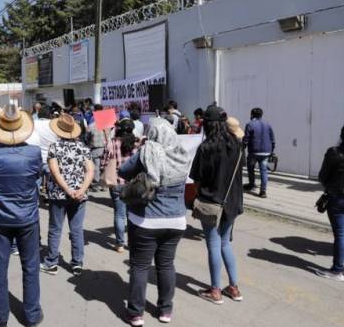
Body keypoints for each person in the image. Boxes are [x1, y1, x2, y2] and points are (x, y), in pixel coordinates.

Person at [118, 117, 191, 326]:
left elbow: (123, 171)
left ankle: (135, 313)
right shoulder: (182, 154)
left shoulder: (146, 152)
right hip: (176, 220)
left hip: (147, 220)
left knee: (140, 267)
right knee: (166, 265)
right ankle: (165, 311)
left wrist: (142, 150)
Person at [0, 105, 44, 327]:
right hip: (27, 217)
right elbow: (36, 176)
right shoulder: (34, 153)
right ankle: (32, 315)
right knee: (30, 266)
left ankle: (0, 316)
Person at [190, 105, 244, 305]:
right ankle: (234, 287)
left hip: (211, 201)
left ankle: (215, 290)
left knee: (213, 244)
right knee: (225, 243)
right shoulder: (237, 145)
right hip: (233, 201)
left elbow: (196, 178)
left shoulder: (205, 148)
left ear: (206, 124)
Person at [40, 114, 94, 277]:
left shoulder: (54, 147)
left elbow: (55, 172)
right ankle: (77, 263)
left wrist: (67, 189)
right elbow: (90, 170)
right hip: (80, 194)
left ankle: (52, 262)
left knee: (55, 229)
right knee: (77, 229)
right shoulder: (83, 147)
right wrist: (82, 189)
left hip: (59, 194)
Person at [316, 124, 344, 281]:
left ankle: (337, 271)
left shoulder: (334, 153)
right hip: (339, 196)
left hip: (338, 198)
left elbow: (322, 177)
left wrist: (330, 185)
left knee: (341, 235)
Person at [102, 119, 138, 253]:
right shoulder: (136, 143)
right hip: (133, 183)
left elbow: (104, 161)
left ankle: (120, 244)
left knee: (119, 214)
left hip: (116, 182)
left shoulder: (112, 142)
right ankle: (132, 243)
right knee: (132, 214)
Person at [243, 107, 275, 198]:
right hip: (266, 152)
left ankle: (252, 185)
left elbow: (246, 139)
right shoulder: (268, 124)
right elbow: (272, 139)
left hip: (254, 152)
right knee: (263, 170)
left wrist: (243, 146)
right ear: (261, 115)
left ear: (252, 115)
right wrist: (272, 151)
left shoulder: (250, 124)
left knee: (250, 168)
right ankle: (263, 191)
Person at [86, 104, 107, 192]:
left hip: (95, 148)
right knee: (104, 166)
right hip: (105, 147)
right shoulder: (106, 122)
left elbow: (87, 137)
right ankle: (104, 185)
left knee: (96, 166)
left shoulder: (91, 125)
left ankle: (96, 184)